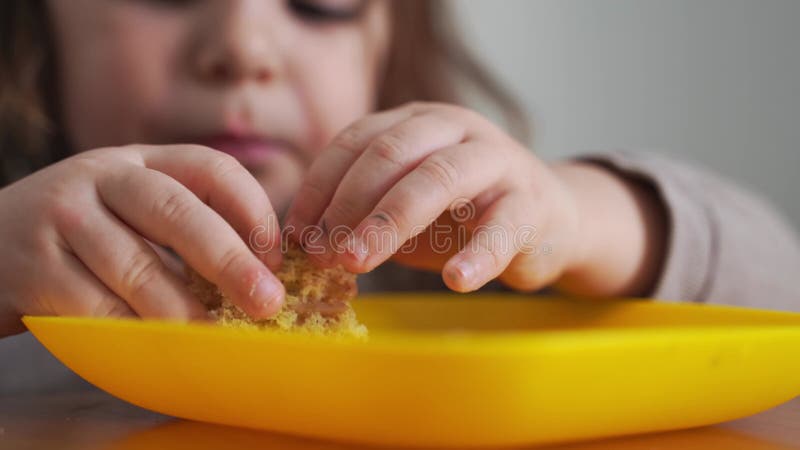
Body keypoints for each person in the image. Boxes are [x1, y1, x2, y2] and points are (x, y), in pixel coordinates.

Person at [0, 0, 797, 392]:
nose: (243, 46)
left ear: (388, 42)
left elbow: (779, 294)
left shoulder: (455, 254)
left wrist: (582, 216)